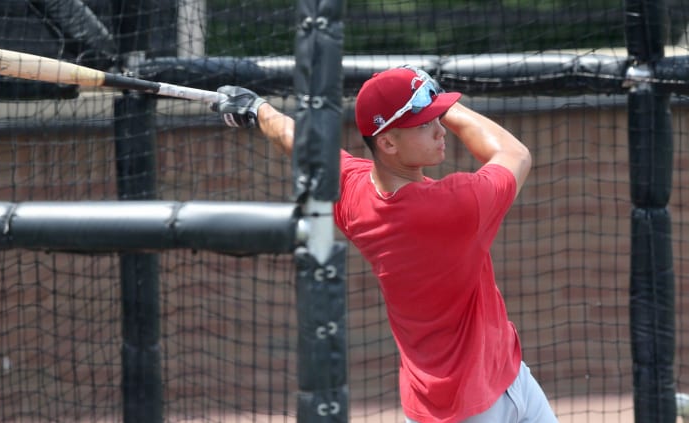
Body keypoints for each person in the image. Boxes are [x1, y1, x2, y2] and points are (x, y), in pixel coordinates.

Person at [211, 66, 558, 423]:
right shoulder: (455, 206)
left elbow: (295, 138)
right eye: (425, 124)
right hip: (462, 411)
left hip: (506, 376)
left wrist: (257, 109)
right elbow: (515, 154)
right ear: (388, 142)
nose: (440, 130)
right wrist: (444, 103)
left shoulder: (352, 191)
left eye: (436, 119)